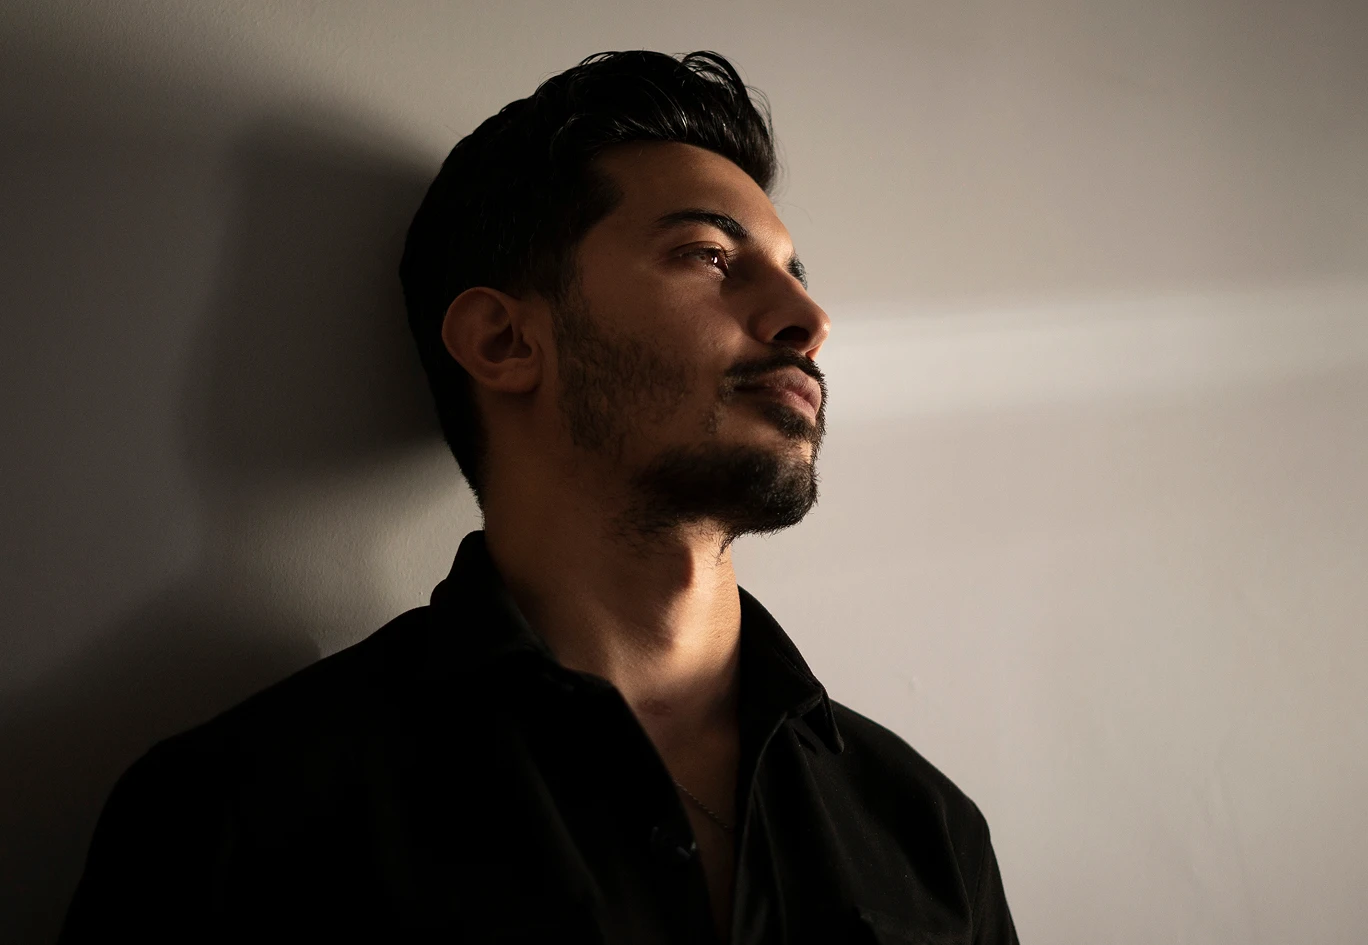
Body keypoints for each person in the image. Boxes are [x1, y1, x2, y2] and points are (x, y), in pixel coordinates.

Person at [61, 50, 1018, 943]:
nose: (807, 319)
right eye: (708, 256)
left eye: (795, 277)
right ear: (505, 342)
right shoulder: (241, 817)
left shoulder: (928, 833)